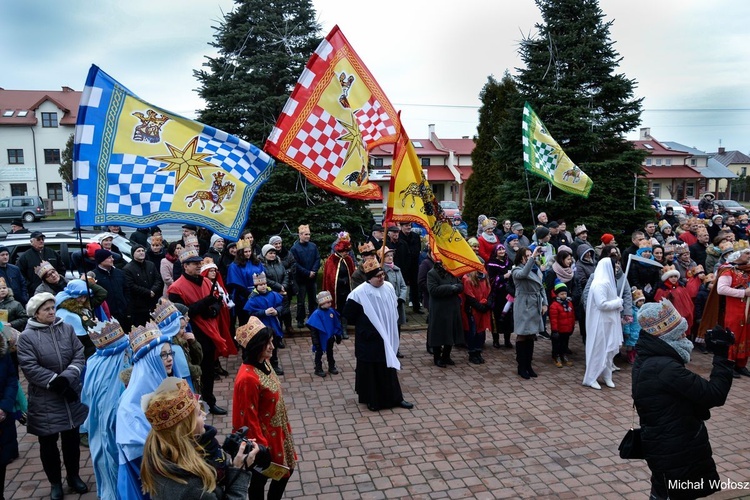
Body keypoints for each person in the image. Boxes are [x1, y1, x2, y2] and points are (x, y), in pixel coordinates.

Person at [633, 299, 734, 500]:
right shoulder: (665, 368)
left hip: (665, 445)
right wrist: (721, 356)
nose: (684, 334)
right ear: (665, 335)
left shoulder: (649, 357)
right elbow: (714, 394)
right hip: (675, 450)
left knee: (663, 492)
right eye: (679, 330)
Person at [17, 292, 89, 499]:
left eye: (52, 308)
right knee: (48, 444)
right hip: (45, 400)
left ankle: (74, 477)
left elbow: (78, 353)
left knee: (71, 441)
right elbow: (29, 366)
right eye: (46, 309)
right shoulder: (26, 337)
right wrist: (55, 382)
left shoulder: (66, 328)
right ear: (36, 313)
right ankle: (55, 483)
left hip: (69, 395)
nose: (51, 312)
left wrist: (67, 378)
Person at [141, 377, 257, 500]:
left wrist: (232, 465)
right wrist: (239, 471)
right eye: (198, 414)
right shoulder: (191, 487)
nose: (204, 414)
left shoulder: (162, 453)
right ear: (185, 429)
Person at [116, 319, 182, 498]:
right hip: (148, 479)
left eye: (170, 353)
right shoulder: (128, 406)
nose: (169, 359)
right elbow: (139, 452)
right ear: (149, 360)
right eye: (163, 355)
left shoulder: (166, 386)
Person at [233, 317, 297, 498]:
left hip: (279, 429)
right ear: (255, 346)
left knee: (284, 472)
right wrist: (261, 448)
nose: (272, 346)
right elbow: (247, 416)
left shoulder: (264, 361)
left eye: (271, 342)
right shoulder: (247, 378)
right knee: (261, 477)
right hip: (265, 437)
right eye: (267, 343)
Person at [343, 259, 413, 412]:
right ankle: (372, 399)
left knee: (388, 366)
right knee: (371, 368)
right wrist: (366, 325)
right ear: (369, 278)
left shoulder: (387, 287)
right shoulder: (358, 293)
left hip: (386, 333)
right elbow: (349, 315)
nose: (381, 278)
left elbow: (392, 305)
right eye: (378, 276)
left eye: (382, 274)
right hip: (369, 337)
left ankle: (396, 397)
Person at [168, 249, 228, 415]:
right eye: (195, 264)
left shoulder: (207, 282)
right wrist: (205, 303)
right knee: (194, 370)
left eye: (200, 263)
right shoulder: (175, 288)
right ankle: (193, 404)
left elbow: (217, 300)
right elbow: (183, 312)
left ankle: (209, 400)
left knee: (208, 369)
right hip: (192, 333)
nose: (199, 266)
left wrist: (214, 310)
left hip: (210, 331)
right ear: (185, 266)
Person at [81, 319, 130, 500]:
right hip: (111, 431)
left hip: (111, 429)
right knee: (114, 467)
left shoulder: (96, 362)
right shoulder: (108, 369)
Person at [582, 257, 623, 390]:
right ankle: (591, 377)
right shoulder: (599, 283)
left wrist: (618, 302)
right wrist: (617, 302)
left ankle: (607, 375)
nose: (616, 268)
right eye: (614, 266)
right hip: (600, 321)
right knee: (598, 348)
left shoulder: (609, 282)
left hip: (610, 320)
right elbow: (602, 304)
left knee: (608, 350)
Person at [512, 246, 547, 379]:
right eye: (526, 255)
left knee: (531, 335)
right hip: (524, 305)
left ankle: (528, 365)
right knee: (523, 334)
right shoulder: (516, 270)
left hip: (535, 303)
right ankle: (521, 366)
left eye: (530, 255)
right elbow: (523, 274)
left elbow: (541, 286)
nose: (529, 257)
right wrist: (533, 257)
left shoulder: (534, 270)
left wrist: (545, 303)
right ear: (520, 257)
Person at [244, 272, 285, 376]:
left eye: (264, 284)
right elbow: (251, 313)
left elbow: (281, 305)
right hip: (261, 326)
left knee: (273, 345)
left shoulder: (273, 294)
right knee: (262, 346)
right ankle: (262, 364)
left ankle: (274, 364)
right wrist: (264, 312)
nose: (263, 286)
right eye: (260, 285)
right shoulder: (253, 298)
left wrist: (277, 311)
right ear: (256, 286)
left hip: (273, 325)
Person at [426, 261, 464, 368]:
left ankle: (446, 356)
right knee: (439, 333)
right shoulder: (432, 273)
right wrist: (451, 288)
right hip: (439, 309)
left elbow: (460, 285)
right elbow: (433, 290)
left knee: (451, 332)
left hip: (453, 307)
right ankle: (437, 358)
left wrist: (456, 287)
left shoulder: (453, 272)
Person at [322, 232, 356, 337]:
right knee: (336, 309)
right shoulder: (331, 260)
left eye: (348, 251)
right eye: (345, 251)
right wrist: (340, 281)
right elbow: (329, 276)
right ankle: (336, 329)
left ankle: (344, 329)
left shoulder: (349, 260)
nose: (347, 253)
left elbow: (352, 273)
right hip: (335, 291)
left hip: (346, 290)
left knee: (345, 309)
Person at [0, 319, 19, 500]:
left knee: (2, 459)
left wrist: (4, 407)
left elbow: (12, 379)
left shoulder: (2, 348)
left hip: (2, 417)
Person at [228, 239, 266, 328]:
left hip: (258, 294)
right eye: (245, 252)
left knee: (258, 320)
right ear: (241, 252)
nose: (248, 254)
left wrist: (259, 289)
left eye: (249, 251)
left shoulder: (256, 263)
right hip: (242, 297)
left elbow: (262, 276)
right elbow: (236, 283)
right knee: (245, 321)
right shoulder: (235, 265)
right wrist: (249, 294)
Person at [124, 244, 164, 327]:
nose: (141, 253)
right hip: (139, 306)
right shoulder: (128, 268)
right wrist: (148, 292)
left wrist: (153, 290)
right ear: (133, 254)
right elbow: (131, 286)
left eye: (143, 251)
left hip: (154, 303)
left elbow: (158, 280)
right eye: (138, 251)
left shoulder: (151, 265)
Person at [306, 291, 343, 377]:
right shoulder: (317, 314)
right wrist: (315, 341)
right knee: (319, 354)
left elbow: (336, 324)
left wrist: (338, 335)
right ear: (321, 303)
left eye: (330, 302)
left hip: (330, 338)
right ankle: (318, 368)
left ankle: (331, 366)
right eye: (327, 302)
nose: (330, 304)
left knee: (330, 352)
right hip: (320, 338)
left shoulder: (331, 312)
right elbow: (313, 329)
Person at [290, 224, 320, 329]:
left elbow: (317, 259)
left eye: (309, 234)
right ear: (300, 235)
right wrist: (307, 273)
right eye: (305, 234)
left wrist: (314, 271)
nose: (308, 236)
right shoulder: (294, 248)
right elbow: (295, 264)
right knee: (301, 301)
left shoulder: (313, 246)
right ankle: (300, 319)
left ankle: (313, 319)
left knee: (313, 300)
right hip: (301, 279)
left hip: (312, 278)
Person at [17, 232, 66, 297]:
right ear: (32, 242)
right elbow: (20, 274)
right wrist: (31, 286)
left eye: (42, 239)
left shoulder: (51, 252)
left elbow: (61, 267)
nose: (41, 241)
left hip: (56, 290)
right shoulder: (25, 257)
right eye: (38, 239)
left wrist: (57, 280)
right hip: (36, 292)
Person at [461, 269, 492, 364]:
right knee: (473, 332)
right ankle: (472, 353)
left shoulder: (485, 276)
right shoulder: (467, 279)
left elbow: (490, 292)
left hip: (483, 308)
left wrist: (488, 304)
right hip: (473, 310)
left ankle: (478, 352)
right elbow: (469, 297)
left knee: (481, 332)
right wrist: (481, 307)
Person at [486, 243, 514, 349]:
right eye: (499, 250)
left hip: (508, 294)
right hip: (497, 295)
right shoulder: (491, 264)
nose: (502, 251)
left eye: (503, 249)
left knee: (508, 317)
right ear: (495, 252)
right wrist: (503, 277)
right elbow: (491, 280)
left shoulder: (509, 262)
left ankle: (507, 340)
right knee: (496, 317)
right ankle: (496, 340)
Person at [548, 283, 575, 368]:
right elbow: (553, 319)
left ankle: (563, 355)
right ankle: (556, 356)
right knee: (557, 344)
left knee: (564, 343)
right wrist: (554, 330)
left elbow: (572, 316)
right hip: (558, 330)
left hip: (566, 329)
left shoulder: (569, 303)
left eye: (565, 293)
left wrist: (572, 326)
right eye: (561, 294)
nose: (564, 295)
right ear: (557, 294)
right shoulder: (554, 305)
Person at [623, 288, 644, 364]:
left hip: (638, 331)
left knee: (636, 345)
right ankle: (630, 356)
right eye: (639, 301)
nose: (641, 303)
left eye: (642, 301)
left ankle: (635, 355)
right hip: (632, 332)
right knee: (631, 346)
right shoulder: (632, 311)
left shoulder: (641, 310)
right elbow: (627, 322)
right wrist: (627, 331)